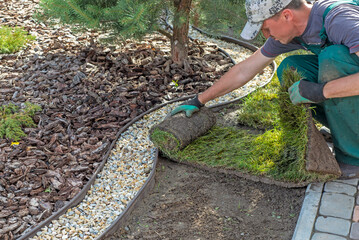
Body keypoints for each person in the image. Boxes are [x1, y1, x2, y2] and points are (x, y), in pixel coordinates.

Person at [171, 0, 359, 171]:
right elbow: (245, 70)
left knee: (332, 58)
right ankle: (346, 133)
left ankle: (353, 159)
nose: (266, 35)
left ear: (287, 15)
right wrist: (199, 100)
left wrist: (320, 91)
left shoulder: (340, 20)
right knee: (291, 69)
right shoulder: (294, 32)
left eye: (266, 28)